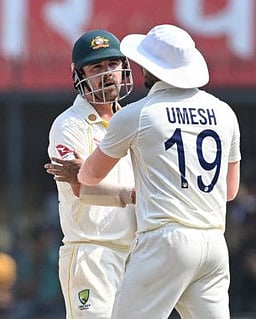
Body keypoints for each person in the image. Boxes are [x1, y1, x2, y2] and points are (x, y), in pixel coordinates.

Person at [77, 24, 241, 319]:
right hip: (215, 244)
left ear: (149, 68)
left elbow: (89, 177)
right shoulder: (225, 112)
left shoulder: (136, 114)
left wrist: (81, 168)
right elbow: (229, 191)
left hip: (164, 241)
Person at [45, 29, 136, 318]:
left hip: (135, 253)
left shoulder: (131, 120)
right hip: (91, 252)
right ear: (78, 74)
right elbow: (82, 189)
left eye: (113, 64)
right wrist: (133, 195)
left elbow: (86, 179)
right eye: (97, 67)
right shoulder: (69, 124)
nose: (108, 74)